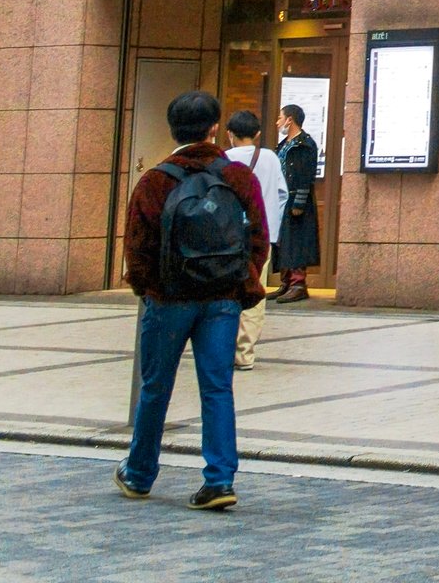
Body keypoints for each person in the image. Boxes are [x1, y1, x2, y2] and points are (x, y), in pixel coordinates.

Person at [115, 90, 269, 511]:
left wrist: (149, 289)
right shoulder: (238, 177)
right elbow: (258, 239)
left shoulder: (155, 180)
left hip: (169, 299)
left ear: (172, 129)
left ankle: (139, 474)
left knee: (155, 387)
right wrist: (240, 281)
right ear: (215, 128)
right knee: (217, 387)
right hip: (222, 299)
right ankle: (219, 481)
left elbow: (138, 247)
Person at [222, 110, 286, 372]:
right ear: (258, 134)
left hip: (228, 236)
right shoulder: (270, 158)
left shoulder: (224, 159)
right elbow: (283, 194)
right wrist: (274, 227)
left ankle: (222, 349)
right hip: (262, 236)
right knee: (255, 291)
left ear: (229, 134)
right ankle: (245, 352)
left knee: (226, 290)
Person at [271, 104, 320, 303]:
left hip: (296, 200)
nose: (277, 122)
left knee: (297, 241)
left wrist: (299, 203)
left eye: (280, 117)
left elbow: (306, 176)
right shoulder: (283, 145)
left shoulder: (305, 144)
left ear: (290, 119)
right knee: (283, 240)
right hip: (282, 199)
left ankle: (298, 284)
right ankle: (286, 281)